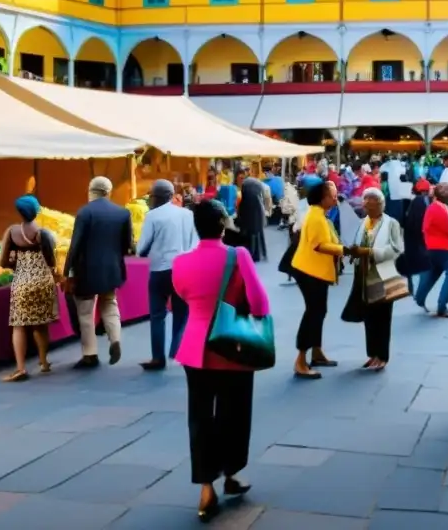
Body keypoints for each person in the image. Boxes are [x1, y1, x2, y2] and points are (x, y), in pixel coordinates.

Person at [172, 200, 269, 522]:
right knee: (235, 415)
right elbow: (259, 306)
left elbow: (183, 299)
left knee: (199, 419)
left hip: (194, 350)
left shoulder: (181, 262)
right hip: (232, 350)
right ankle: (231, 474)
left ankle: (205, 487)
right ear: (223, 224)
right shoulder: (237, 255)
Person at [62, 176, 133, 369]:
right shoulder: (123, 213)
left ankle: (90, 354)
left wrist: (67, 270)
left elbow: (75, 245)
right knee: (109, 303)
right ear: (108, 191)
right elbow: (128, 245)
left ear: (90, 190)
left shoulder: (85, 213)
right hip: (112, 269)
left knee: (85, 312)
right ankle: (115, 338)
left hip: (86, 271)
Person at [137, 179, 197, 371]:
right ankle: (177, 348)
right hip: (183, 270)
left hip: (159, 270)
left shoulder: (152, 216)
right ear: (171, 195)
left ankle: (158, 357)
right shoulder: (187, 214)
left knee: (157, 315)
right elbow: (194, 244)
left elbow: (141, 248)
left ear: (155, 197)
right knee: (182, 313)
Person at [341, 188, 404, 371]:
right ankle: (372, 354)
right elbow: (360, 244)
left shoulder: (391, 223)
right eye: (365, 201)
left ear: (380, 204)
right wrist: (354, 252)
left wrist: (371, 252)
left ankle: (382, 355)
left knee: (383, 317)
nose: (366, 205)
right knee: (369, 316)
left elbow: (396, 249)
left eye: (370, 201)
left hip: (382, 275)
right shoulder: (363, 223)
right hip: (363, 275)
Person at [0, 195, 58, 382]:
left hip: (22, 282)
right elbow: (52, 261)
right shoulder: (44, 233)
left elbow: (2, 261)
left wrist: (17, 264)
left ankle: (21, 368)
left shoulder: (12, 232)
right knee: (41, 324)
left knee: (19, 325)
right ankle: (44, 362)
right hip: (43, 281)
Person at [290, 181, 344, 379]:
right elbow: (320, 245)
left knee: (319, 311)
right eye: (333, 195)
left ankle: (316, 352)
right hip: (310, 271)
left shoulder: (318, 214)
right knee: (314, 312)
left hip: (314, 270)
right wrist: (344, 250)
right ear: (323, 198)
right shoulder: (316, 217)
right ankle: (301, 359)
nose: (335, 198)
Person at [415, 182, 448, 318]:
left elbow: (424, 228)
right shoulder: (443, 209)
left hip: (429, 246)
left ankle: (420, 298)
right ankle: (442, 305)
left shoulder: (431, 208)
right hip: (444, 247)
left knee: (433, 272)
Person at [397, 179, 431, 296]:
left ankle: (409, 287)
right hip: (417, 239)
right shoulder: (421, 203)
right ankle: (420, 292)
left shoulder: (410, 201)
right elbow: (420, 223)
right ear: (424, 192)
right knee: (424, 265)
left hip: (409, 237)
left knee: (410, 263)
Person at [235, 175, 267, 262]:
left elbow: (240, 212)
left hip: (248, 216)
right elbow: (263, 197)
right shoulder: (257, 186)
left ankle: (250, 254)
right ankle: (260, 253)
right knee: (257, 233)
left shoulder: (245, 188)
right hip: (258, 213)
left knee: (248, 234)